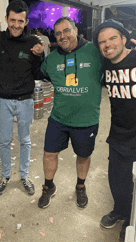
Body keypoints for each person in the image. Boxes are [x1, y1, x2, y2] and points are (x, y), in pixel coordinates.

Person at [38, 16, 103, 209]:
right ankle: (48, 186)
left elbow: (117, 60)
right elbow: (39, 73)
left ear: (75, 30)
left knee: (83, 155)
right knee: (49, 154)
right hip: (58, 119)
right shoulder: (51, 59)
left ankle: (80, 186)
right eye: (58, 33)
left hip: (86, 120)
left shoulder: (94, 51)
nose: (62, 36)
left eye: (66, 31)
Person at [92, 19, 136, 242]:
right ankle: (120, 212)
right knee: (117, 181)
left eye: (113, 38)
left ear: (124, 39)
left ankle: (132, 222)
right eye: (102, 41)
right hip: (117, 136)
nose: (107, 45)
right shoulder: (105, 64)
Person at [0, 0, 45, 197]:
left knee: (25, 141)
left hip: (26, 101)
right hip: (3, 100)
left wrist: (40, 55)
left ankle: (24, 175)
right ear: (6, 19)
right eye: (12, 20)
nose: (16, 25)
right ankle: (5, 176)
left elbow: (38, 73)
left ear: (26, 22)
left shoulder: (33, 43)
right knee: (4, 141)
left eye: (20, 21)